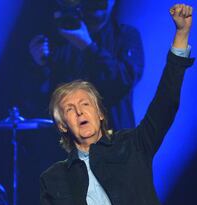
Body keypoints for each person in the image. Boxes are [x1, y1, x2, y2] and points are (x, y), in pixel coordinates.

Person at [34, 4, 194, 205]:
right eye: (70, 108)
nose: (80, 111)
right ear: (61, 125)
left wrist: (181, 35)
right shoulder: (53, 177)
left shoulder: (131, 147)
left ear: (100, 113)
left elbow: (165, 104)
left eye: (85, 104)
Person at [28, 0, 144, 130]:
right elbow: (39, 102)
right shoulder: (61, 40)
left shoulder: (125, 35)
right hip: (70, 140)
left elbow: (124, 80)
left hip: (113, 138)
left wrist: (87, 46)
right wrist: (40, 65)